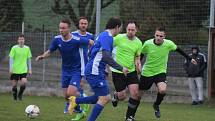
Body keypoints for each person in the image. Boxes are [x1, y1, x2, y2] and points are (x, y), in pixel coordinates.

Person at [68, 17, 128, 121]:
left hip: (95, 70)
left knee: (98, 97)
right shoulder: (108, 37)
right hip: (94, 71)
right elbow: (106, 56)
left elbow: (92, 52)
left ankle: (75, 101)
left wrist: (102, 68)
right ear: (117, 27)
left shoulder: (102, 35)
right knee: (105, 98)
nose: (120, 30)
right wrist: (121, 68)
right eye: (120, 28)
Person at [36, 18, 94, 117]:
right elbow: (50, 51)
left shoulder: (76, 40)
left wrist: (93, 53)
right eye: (60, 28)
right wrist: (42, 56)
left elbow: (91, 42)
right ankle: (79, 109)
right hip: (65, 70)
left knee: (71, 92)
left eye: (63, 28)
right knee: (66, 96)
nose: (61, 30)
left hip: (76, 70)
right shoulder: (57, 39)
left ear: (69, 29)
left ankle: (83, 99)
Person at [138, 26, 197, 118]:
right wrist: (138, 65)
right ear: (154, 35)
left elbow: (179, 50)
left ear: (164, 36)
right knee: (138, 95)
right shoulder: (147, 43)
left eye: (161, 36)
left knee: (162, 90)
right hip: (147, 72)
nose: (158, 38)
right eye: (157, 35)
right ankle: (131, 114)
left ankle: (156, 105)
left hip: (160, 72)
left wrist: (190, 59)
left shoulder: (168, 44)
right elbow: (141, 54)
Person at [110, 21, 142, 121]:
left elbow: (137, 57)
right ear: (126, 29)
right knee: (122, 96)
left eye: (132, 30)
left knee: (135, 94)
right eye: (128, 29)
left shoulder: (139, 43)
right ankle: (116, 95)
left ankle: (129, 117)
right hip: (118, 71)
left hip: (131, 71)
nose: (130, 32)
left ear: (136, 30)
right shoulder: (119, 38)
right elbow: (108, 45)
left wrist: (138, 64)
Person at [71, 17, 94, 120]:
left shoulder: (90, 36)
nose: (83, 25)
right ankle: (83, 101)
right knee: (73, 88)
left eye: (85, 23)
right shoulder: (73, 35)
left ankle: (80, 107)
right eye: (82, 23)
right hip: (74, 65)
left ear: (87, 25)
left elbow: (93, 50)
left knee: (78, 86)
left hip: (85, 65)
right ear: (78, 24)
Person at [9, 34, 32, 101]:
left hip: (23, 70)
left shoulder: (27, 48)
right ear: (18, 40)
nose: (21, 40)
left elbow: (29, 59)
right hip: (15, 70)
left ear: (24, 40)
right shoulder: (14, 48)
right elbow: (11, 59)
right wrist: (11, 68)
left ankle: (20, 95)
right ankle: (15, 98)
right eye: (20, 39)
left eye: (22, 39)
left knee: (24, 82)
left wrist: (30, 69)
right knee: (14, 86)